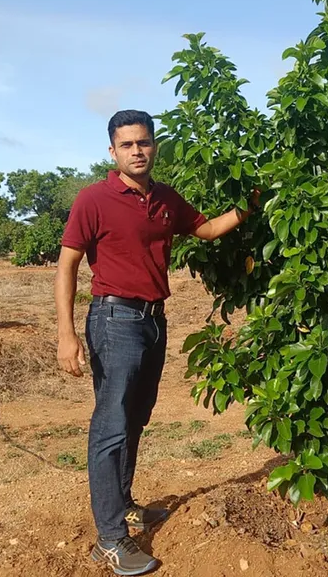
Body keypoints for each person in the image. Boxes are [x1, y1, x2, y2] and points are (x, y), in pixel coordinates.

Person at [54, 109, 256, 575]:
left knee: (135, 419)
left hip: (152, 320)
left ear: (155, 145)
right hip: (113, 318)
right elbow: (66, 266)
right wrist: (66, 334)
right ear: (112, 151)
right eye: (127, 145)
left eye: (143, 142)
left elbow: (204, 229)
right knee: (110, 425)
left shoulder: (165, 198)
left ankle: (123, 505)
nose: (137, 151)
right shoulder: (94, 199)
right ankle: (108, 539)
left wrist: (249, 207)